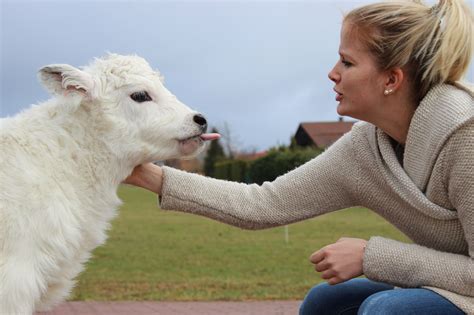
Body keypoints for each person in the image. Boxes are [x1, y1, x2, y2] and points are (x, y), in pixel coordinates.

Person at [124, 0, 473, 313]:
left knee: (389, 310)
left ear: (391, 79)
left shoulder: (465, 138)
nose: (332, 72)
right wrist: (147, 176)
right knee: (326, 302)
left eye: (347, 62)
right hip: (458, 289)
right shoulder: (365, 149)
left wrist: (372, 255)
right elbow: (263, 204)